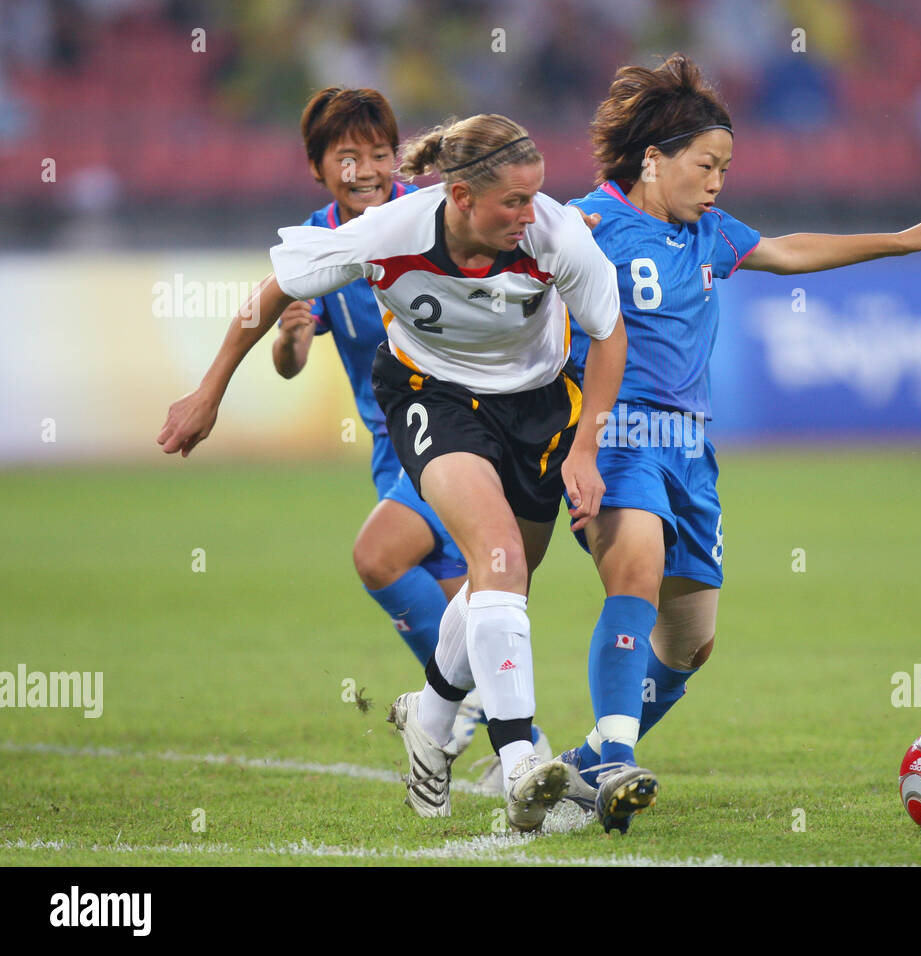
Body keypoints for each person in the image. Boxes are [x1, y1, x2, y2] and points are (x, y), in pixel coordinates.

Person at [157, 113, 627, 832]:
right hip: (429, 396)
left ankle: (430, 717)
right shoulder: (390, 232)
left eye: (535, 197)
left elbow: (607, 334)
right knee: (496, 556)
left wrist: (586, 448)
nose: (529, 214)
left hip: (536, 407)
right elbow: (273, 292)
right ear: (462, 196)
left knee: (500, 580)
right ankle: (521, 763)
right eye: (514, 202)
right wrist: (209, 391)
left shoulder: (557, 237)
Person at [555, 53, 921, 833]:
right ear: (654, 159)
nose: (718, 181)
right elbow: (517, 273)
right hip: (616, 440)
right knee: (635, 568)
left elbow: (790, 251)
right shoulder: (586, 223)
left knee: (689, 644)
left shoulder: (711, 235)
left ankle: (583, 766)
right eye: (706, 165)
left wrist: (898, 242)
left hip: (691, 453)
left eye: (726, 168)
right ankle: (614, 757)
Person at [272, 87, 549, 769]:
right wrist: (291, 337)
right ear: (317, 167)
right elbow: (290, 361)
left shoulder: (427, 216)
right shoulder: (325, 241)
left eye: (378, 153)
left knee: (382, 556)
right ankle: (518, 745)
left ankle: (456, 719)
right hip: (391, 440)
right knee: (475, 599)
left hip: (450, 424)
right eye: (347, 157)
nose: (365, 170)